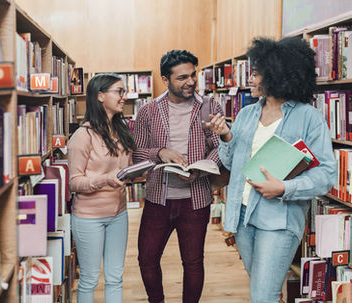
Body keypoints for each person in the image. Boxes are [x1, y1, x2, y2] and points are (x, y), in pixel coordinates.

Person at [204, 37, 337, 302]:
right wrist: (227, 137)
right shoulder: (246, 114)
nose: (250, 80)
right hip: (242, 216)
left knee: (263, 295)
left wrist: (285, 188)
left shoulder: (308, 117)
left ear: (277, 75)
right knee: (264, 291)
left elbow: (326, 174)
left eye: (255, 74)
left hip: (279, 219)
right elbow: (232, 165)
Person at [133, 49, 224, 303]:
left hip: (196, 200)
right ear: (165, 80)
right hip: (157, 199)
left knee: (193, 262)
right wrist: (160, 152)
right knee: (147, 259)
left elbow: (220, 146)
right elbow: (138, 154)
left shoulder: (209, 106)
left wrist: (203, 168)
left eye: (193, 75)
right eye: (182, 77)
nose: (191, 82)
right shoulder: (148, 111)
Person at [67, 73, 135, 303]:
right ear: (100, 96)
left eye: (123, 91)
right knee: (90, 278)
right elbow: (74, 183)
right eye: (119, 91)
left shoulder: (121, 131)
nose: (124, 97)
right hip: (89, 218)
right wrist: (106, 179)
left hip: (119, 214)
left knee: (115, 277)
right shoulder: (82, 136)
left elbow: (125, 169)